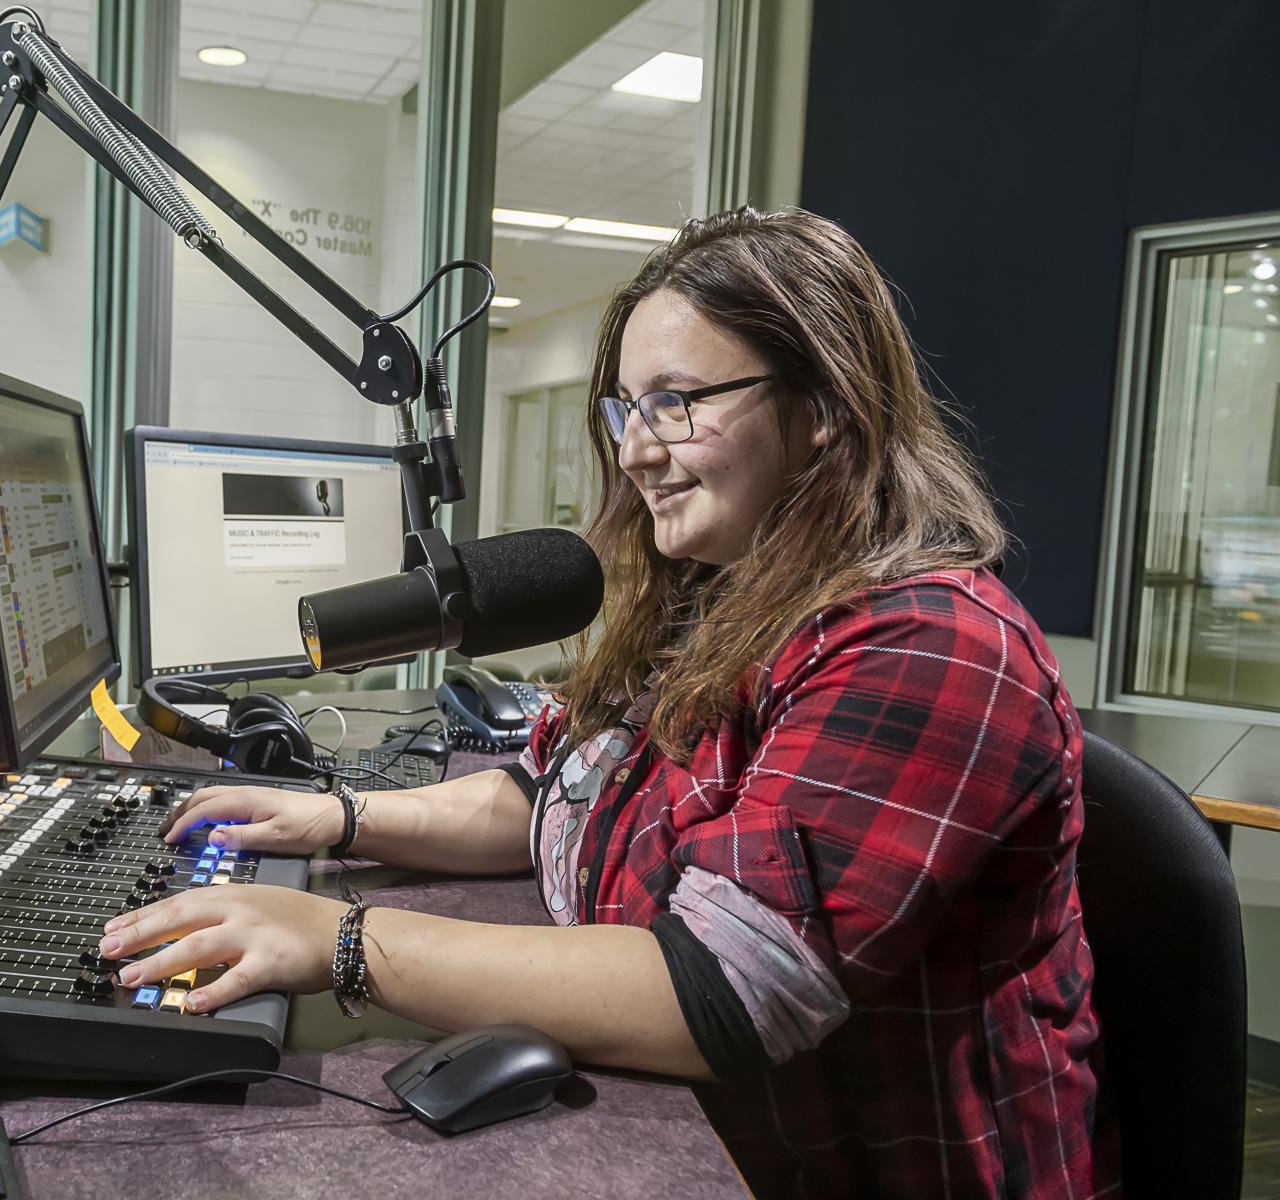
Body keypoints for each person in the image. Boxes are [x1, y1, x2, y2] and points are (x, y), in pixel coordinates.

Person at [100, 207, 1117, 1197]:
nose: (633, 450)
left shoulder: (922, 645)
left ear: (822, 412)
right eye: (626, 408)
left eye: (677, 401)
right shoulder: (715, 588)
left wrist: (340, 941)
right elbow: (549, 788)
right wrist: (344, 817)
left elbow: (721, 991)